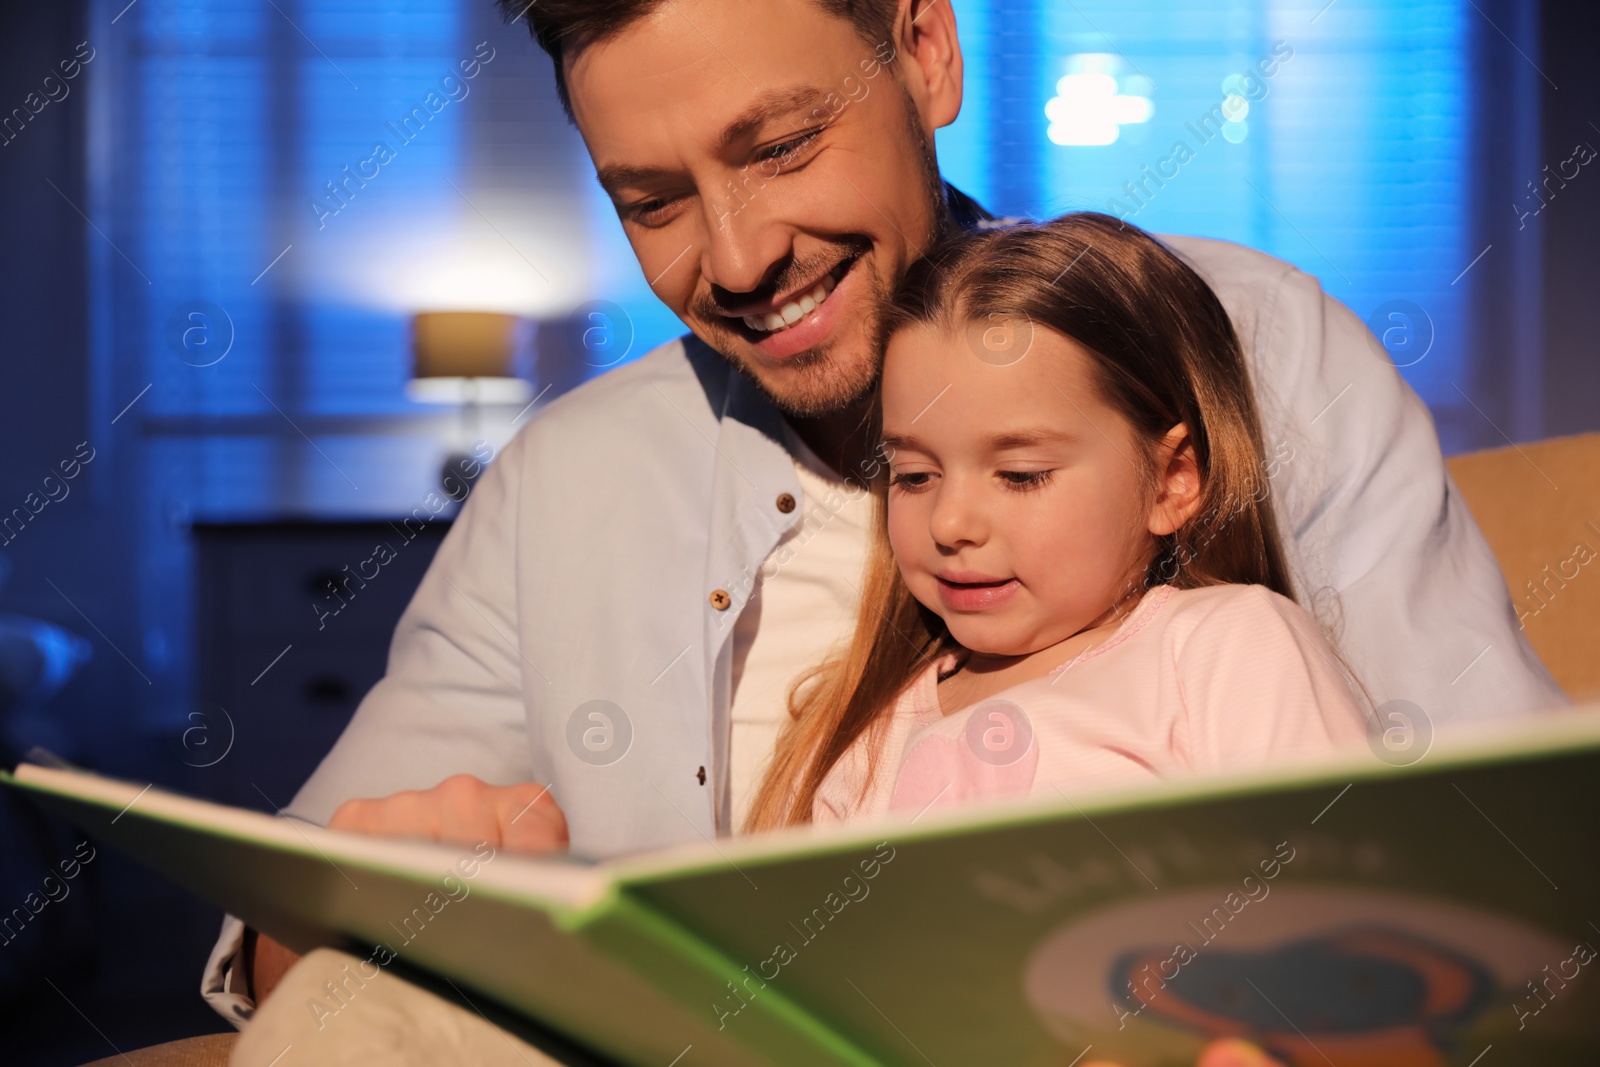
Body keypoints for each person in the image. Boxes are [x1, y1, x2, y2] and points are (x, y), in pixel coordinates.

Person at [200, 1, 1564, 1062]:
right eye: (652, 201)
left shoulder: (1248, 344)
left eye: (782, 145)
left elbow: (1519, 864)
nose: (732, 260)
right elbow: (289, 948)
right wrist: (364, 910)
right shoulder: (563, 480)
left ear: (924, 49)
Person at [746, 212, 1370, 832]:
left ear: (1171, 480)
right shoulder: (859, 744)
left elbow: (1343, 888)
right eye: (913, 476)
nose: (950, 522)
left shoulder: (1227, 648)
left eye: (1020, 475)